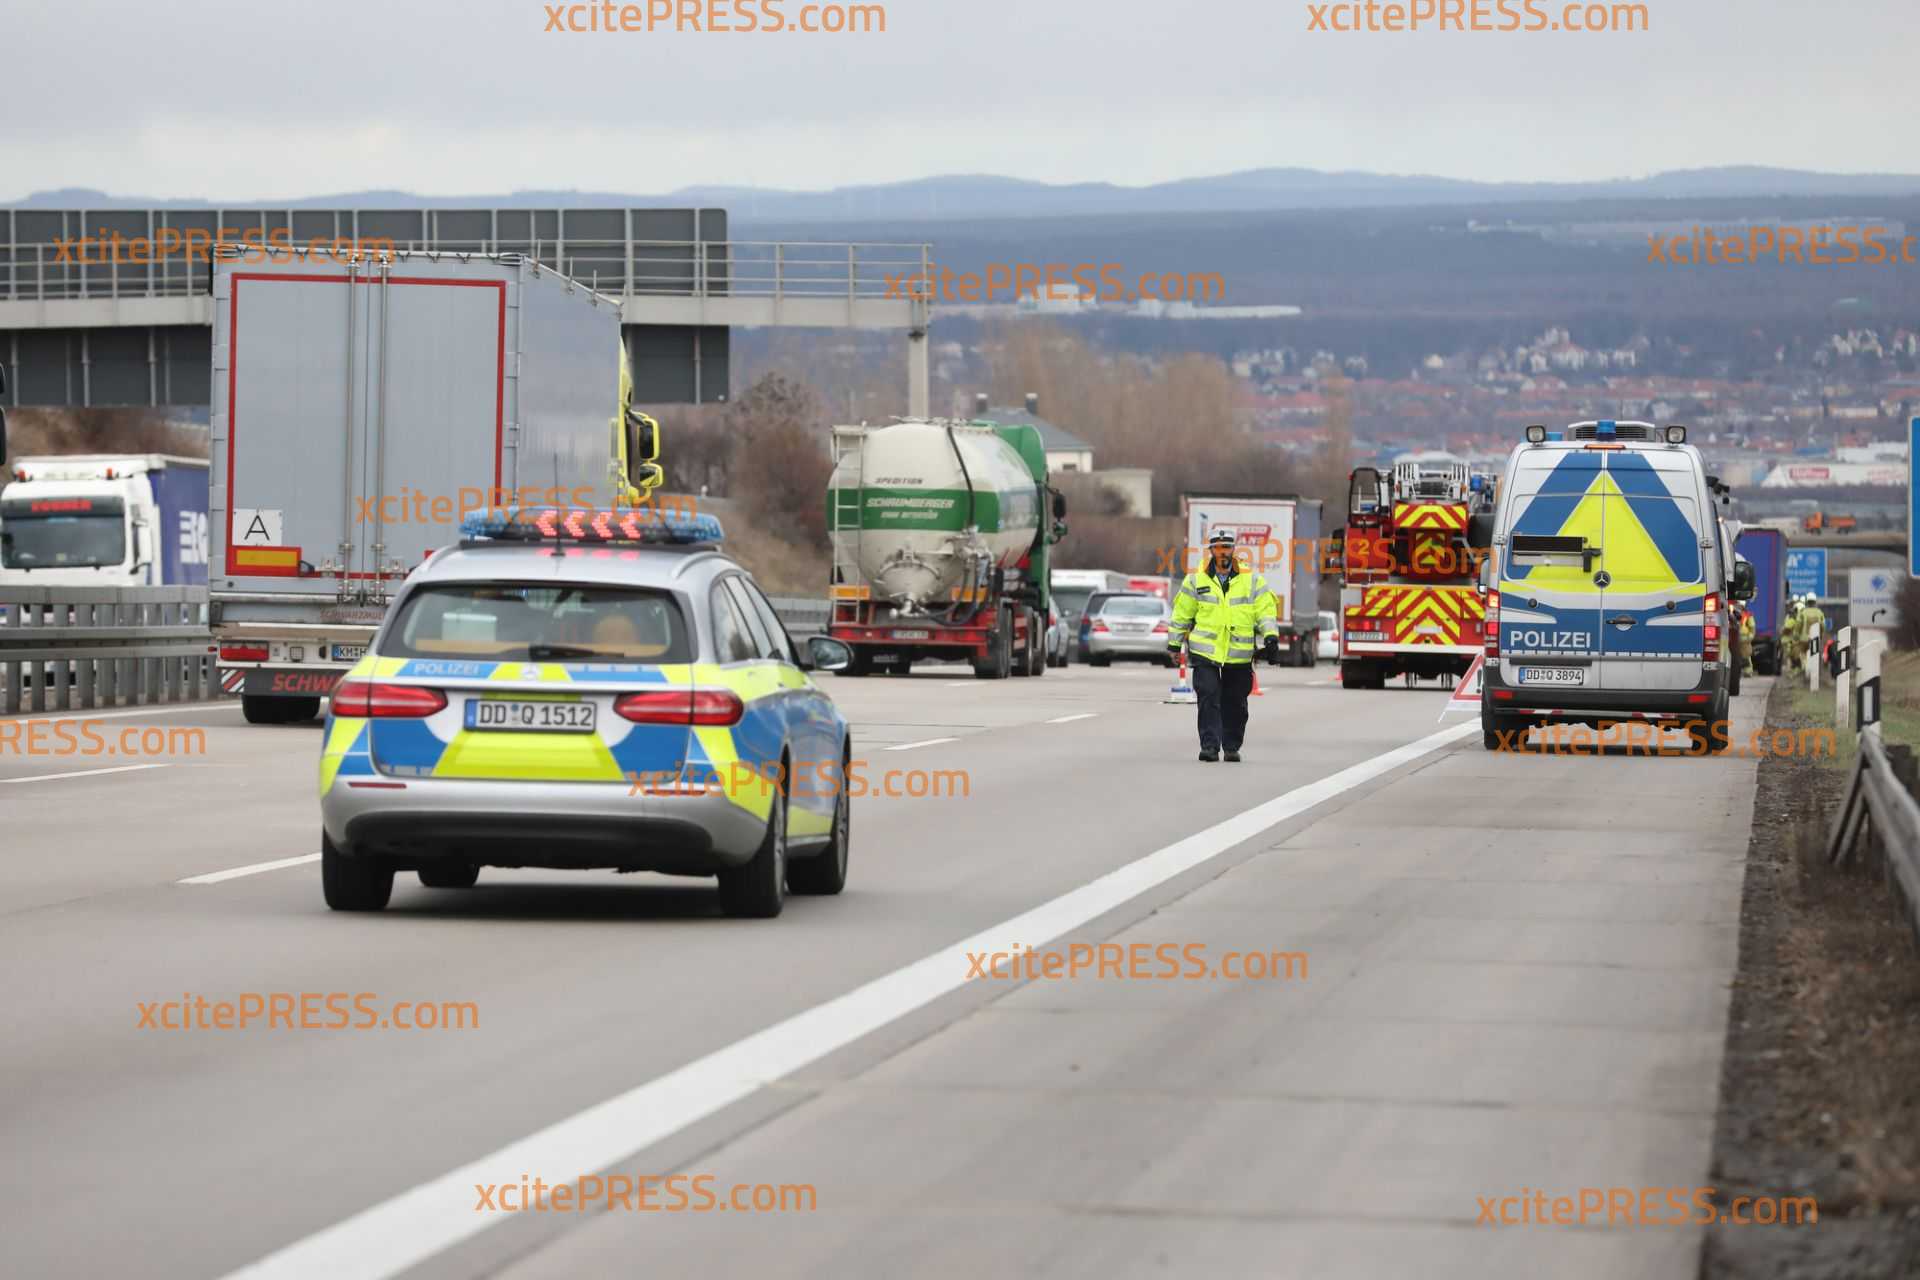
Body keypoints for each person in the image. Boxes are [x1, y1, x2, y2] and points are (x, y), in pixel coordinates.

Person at [1167, 530, 1280, 762]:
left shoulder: (1252, 580)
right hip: (1205, 653)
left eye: (1226, 547)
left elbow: (1265, 611)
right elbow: (1182, 613)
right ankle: (1209, 746)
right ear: (1211, 551)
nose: (1222, 552)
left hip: (1239, 654)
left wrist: (1270, 637)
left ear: (1233, 550)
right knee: (1208, 695)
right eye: (1217, 547)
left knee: (1236, 703)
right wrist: (1173, 643)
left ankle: (1231, 746)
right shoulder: (1196, 580)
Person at [1738, 604, 1755, 676]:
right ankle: (1740, 671)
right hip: (1735, 638)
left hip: (1744, 639)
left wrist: (1749, 638)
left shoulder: (1748, 616)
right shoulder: (1734, 613)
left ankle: (1748, 672)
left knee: (1746, 655)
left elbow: (1752, 628)